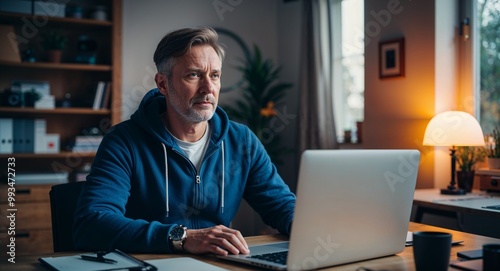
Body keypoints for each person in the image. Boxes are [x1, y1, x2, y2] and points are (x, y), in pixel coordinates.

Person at [73, 27, 296, 256]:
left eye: (215, 75)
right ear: (162, 84)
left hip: (219, 263)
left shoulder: (242, 141)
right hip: (151, 263)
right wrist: (182, 237)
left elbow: (281, 206)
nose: (208, 88)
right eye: (194, 75)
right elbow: (92, 224)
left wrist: (316, 229)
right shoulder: (123, 142)